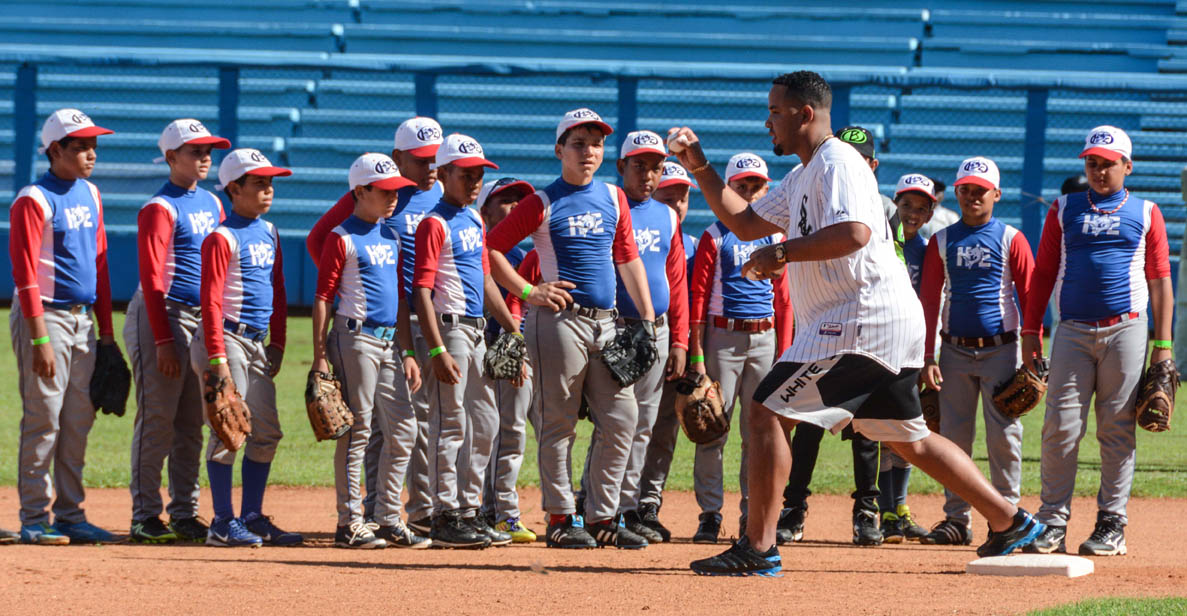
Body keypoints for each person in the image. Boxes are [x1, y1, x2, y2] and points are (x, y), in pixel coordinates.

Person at [668, 70, 1044, 576]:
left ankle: (758, 547)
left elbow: (854, 232)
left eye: (776, 111)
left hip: (858, 322)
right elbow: (745, 222)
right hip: (862, 322)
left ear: (805, 114)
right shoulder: (803, 175)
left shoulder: (837, 161)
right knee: (907, 438)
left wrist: (781, 252)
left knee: (763, 412)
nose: (768, 121)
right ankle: (1009, 520)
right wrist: (700, 167)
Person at [486, 108, 657, 549]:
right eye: (579, 143)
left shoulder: (615, 198)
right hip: (558, 323)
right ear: (559, 149)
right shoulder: (543, 201)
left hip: (608, 323)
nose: (589, 151)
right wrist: (528, 292)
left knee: (623, 419)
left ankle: (602, 517)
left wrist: (645, 317)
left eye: (596, 144)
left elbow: (628, 258)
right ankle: (561, 517)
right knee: (557, 422)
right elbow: (493, 250)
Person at [1021, 126, 1172, 556]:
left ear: (1127, 165)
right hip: (1072, 329)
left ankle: (1112, 522)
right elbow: (1044, 273)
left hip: (1127, 329)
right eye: (1092, 162)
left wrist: (1164, 344)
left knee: (1117, 428)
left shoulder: (1145, 212)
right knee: (1060, 428)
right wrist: (1033, 331)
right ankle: (1052, 521)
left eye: (1108, 163)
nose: (1099, 170)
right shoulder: (1064, 208)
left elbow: (1160, 280)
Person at [306, 116, 444, 536]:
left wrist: (406, 351)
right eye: (385, 191)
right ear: (361, 192)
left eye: (395, 192)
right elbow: (322, 296)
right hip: (355, 337)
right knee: (359, 430)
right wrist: (318, 359)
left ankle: (387, 518)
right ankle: (351, 521)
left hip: (389, 342)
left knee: (404, 428)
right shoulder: (343, 235)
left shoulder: (391, 236)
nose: (392, 199)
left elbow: (399, 299)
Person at [9, 108, 118, 545]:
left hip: (83, 321)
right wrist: (38, 338)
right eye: (81, 146)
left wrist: (106, 333)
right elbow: (25, 275)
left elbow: (100, 265)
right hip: (46, 318)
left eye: (94, 145)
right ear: (55, 150)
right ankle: (35, 518)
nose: (91, 153)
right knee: (44, 418)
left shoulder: (90, 193)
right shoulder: (33, 199)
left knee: (78, 418)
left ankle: (72, 515)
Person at [576, 130, 689, 544]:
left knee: (641, 425)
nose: (648, 174)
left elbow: (676, 282)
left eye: (656, 166)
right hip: (614, 328)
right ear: (620, 166)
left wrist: (679, 341)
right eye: (639, 165)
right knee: (612, 424)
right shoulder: (607, 206)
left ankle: (626, 509)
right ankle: (591, 504)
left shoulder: (668, 216)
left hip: (655, 333)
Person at [413, 134, 524, 549]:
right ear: (442, 174)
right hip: (451, 330)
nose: (475, 180)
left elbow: (486, 279)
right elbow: (421, 290)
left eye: (479, 173)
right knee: (450, 423)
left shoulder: (475, 220)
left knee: (486, 422)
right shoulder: (434, 223)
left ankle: (468, 509)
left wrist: (513, 330)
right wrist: (437, 348)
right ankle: (444, 515)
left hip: (477, 331)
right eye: (466, 173)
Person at [919, 158, 1035, 546]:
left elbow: (1031, 296)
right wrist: (926, 357)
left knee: (1004, 438)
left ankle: (1008, 516)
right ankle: (956, 519)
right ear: (956, 193)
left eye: (980, 190)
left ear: (996, 195)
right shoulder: (943, 240)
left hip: (1001, 350)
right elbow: (930, 300)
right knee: (953, 439)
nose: (972, 196)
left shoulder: (1010, 238)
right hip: (953, 351)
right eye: (965, 189)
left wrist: (1032, 351)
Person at [125, 119, 230, 544]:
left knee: (191, 422)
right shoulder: (160, 207)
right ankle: (145, 515)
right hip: (162, 315)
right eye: (195, 151)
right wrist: (164, 340)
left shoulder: (212, 203)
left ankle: (185, 512)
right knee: (157, 420)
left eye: (208, 151)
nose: (205, 158)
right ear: (171, 157)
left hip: (200, 319)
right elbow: (152, 279)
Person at [192, 148, 301, 547]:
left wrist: (280, 342)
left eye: (270, 182)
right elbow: (211, 301)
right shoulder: (222, 236)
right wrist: (218, 358)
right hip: (224, 338)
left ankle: (251, 516)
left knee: (266, 431)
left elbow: (279, 290)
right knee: (227, 428)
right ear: (234, 189)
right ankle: (222, 522)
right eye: (258, 183)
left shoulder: (269, 231)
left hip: (256, 343)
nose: (268, 189)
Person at [688, 152, 792, 544]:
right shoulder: (716, 234)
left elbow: (783, 298)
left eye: (756, 186)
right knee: (712, 425)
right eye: (741, 186)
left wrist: (786, 351)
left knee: (760, 432)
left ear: (768, 190)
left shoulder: (777, 236)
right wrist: (697, 353)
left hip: (765, 338)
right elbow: (699, 295)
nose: (749, 193)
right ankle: (710, 514)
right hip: (723, 337)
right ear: (727, 188)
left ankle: (754, 512)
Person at [636, 161, 698, 542]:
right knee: (626, 425)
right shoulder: (633, 231)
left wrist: (688, 350)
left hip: (677, 350)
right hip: (641, 342)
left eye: (683, 197)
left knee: (664, 430)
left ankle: (648, 503)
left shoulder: (693, 245)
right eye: (668, 196)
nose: (677, 205)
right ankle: (598, 498)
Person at [476, 177, 540, 544]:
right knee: (505, 432)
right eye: (506, 200)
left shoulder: (524, 254)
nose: (516, 206)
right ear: (484, 211)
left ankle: (491, 508)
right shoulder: (482, 249)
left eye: (521, 200)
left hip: (514, 349)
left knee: (504, 432)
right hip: (496, 351)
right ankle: (502, 513)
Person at [876, 173, 937, 543]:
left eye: (921, 208)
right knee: (884, 431)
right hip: (882, 347)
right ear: (894, 206)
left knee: (910, 428)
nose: (912, 214)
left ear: (930, 213)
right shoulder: (881, 243)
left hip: (913, 350)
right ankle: (884, 509)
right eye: (906, 205)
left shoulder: (927, 251)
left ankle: (900, 508)